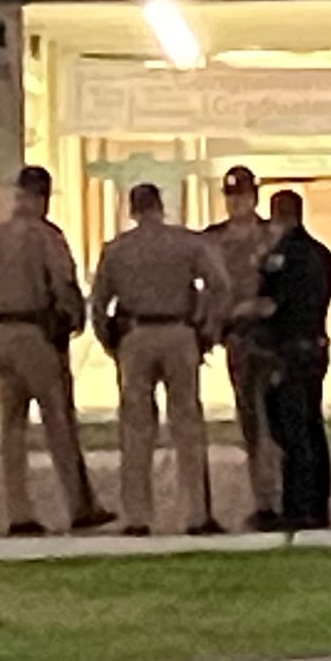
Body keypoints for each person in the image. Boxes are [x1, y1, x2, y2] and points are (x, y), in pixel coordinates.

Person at [0, 167, 116, 537]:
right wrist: (72, 324)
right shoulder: (46, 238)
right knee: (58, 421)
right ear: (43, 197)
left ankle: (19, 512)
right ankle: (79, 506)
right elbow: (63, 285)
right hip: (35, 333)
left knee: (10, 428)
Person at [89, 182, 232, 537]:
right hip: (179, 332)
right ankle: (197, 514)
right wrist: (209, 329)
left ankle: (137, 516)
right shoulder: (187, 243)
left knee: (136, 427)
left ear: (132, 209)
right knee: (187, 424)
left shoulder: (117, 250)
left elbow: (98, 302)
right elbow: (221, 286)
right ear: (161, 206)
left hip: (135, 335)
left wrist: (110, 342)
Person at [202, 165, 282, 532]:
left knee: (276, 419)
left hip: (270, 334)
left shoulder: (272, 235)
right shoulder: (213, 240)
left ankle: (277, 495)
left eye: (244, 196)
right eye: (232, 196)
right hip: (236, 337)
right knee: (250, 419)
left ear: (255, 196)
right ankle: (262, 497)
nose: (238, 203)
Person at [256, 189, 331, 531]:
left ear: (277, 216)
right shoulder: (323, 254)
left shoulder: (281, 257)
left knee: (291, 430)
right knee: (313, 425)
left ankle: (297, 505)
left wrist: (243, 313)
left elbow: (271, 303)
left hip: (288, 348)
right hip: (316, 344)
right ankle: (319, 503)